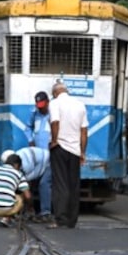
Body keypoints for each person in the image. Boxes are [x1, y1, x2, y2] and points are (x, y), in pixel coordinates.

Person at [47, 81, 87, 229]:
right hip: (75, 150)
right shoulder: (80, 105)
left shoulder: (55, 103)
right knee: (73, 184)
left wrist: (54, 140)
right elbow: (84, 132)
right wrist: (82, 152)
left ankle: (60, 219)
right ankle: (72, 220)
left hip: (61, 147)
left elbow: (55, 122)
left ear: (55, 93)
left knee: (60, 184)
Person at [6, 146, 52, 222]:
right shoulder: (16, 159)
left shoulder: (25, 165)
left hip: (48, 162)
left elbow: (26, 188)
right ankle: (28, 210)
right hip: (38, 164)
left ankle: (46, 213)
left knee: (44, 184)